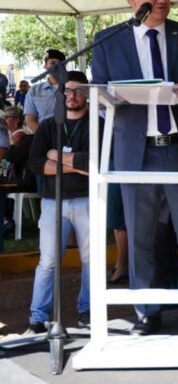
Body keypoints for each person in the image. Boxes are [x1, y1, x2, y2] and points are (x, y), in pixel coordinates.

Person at [89, 0, 178, 336]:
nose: (162, 1)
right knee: (140, 236)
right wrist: (112, 96)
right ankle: (147, 311)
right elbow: (98, 95)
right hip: (135, 154)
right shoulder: (108, 40)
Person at [25, 71, 96, 332]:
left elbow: (95, 163)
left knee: (91, 260)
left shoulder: (96, 124)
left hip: (88, 200)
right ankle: (38, 316)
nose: (71, 95)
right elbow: (35, 164)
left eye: (77, 90)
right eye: (66, 91)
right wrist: (76, 165)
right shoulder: (47, 126)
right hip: (53, 201)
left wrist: (56, 156)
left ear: (87, 93)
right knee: (48, 261)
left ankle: (87, 310)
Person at [24, 49, 65, 134]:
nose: (56, 66)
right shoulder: (34, 91)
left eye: (60, 63)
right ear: (45, 66)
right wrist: (45, 138)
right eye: (52, 63)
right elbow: (30, 120)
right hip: (43, 136)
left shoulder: (72, 89)